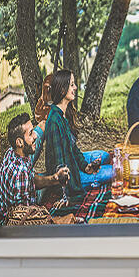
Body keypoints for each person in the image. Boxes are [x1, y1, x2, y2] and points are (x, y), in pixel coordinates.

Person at [0, 110, 66, 217]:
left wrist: (54, 178)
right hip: (21, 211)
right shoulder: (21, 174)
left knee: (43, 125)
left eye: (33, 131)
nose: (35, 136)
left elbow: (30, 177)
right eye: (30, 133)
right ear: (19, 142)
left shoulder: (13, 151)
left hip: (25, 188)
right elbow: (23, 216)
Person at [36, 69, 84, 208]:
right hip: (70, 178)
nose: (75, 88)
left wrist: (86, 166)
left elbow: (73, 148)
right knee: (109, 173)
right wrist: (65, 195)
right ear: (63, 90)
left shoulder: (63, 115)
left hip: (74, 167)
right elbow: (59, 163)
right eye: (72, 85)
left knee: (104, 157)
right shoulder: (54, 121)